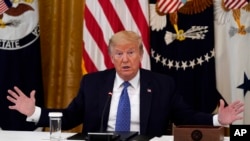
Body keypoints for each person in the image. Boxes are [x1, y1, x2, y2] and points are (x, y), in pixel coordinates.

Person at [7, 30, 244, 137]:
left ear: (140, 54)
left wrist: (217, 120)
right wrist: (35, 112)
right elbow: (69, 118)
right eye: (118, 54)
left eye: (130, 52)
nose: (125, 59)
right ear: (111, 58)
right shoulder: (92, 83)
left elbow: (186, 116)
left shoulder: (162, 84)